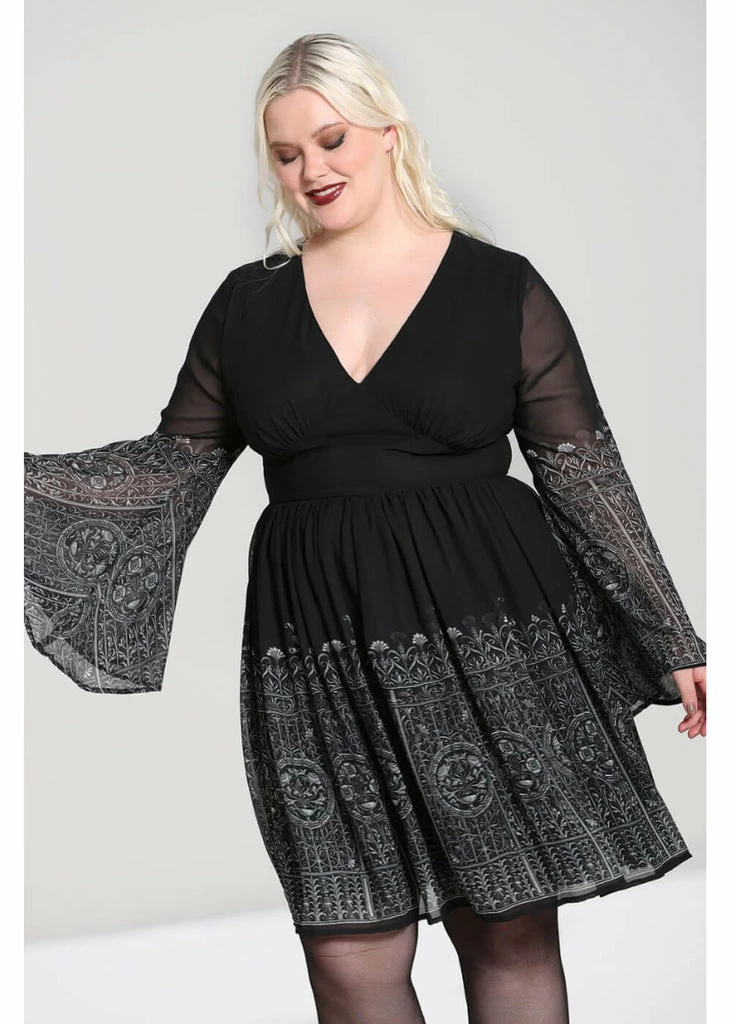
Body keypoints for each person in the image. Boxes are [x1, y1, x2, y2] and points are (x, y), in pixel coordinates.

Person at [24, 31, 706, 1024]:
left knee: (507, 934)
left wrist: (670, 634)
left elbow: (581, 471)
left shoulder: (498, 285)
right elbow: (169, 467)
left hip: (487, 636)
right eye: (286, 153)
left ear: (388, 132)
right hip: (316, 651)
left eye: (331, 139)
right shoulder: (247, 304)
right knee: (348, 957)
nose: (311, 169)